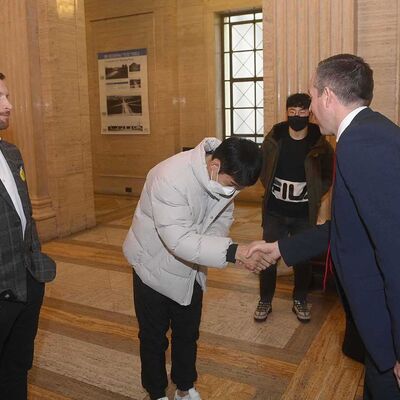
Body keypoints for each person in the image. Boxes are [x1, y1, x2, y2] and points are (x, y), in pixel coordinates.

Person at [249, 54, 400, 399]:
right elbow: (348, 230)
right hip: (378, 334)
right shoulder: (365, 134)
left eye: (313, 95)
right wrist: (279, 249)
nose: (311, 106)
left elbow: (396, 251)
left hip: (389, 339)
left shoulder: (364, 145)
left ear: (328, 95)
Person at [123, 137, 270, 400]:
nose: (233, 191)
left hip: (192, 267)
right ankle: (156, 392)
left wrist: (210, 244)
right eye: (233, 185)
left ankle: (184, 387)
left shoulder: (224, 178)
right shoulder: (169, 177)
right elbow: (178, 240)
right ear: (215, 165)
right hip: (152, 266)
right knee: (154, 337)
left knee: (188, 333)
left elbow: (222, 218)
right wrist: (234, 252)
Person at [0, 73, 56, 400]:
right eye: (1, 97)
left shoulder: (11, 153)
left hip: (27, 283)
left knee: (17, 367)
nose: (9, 105)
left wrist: (36, 270)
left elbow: (26, 217)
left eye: (7, 96)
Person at [254, 93, 333, 323]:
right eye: (292, 111)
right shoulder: (274, 139)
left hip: (303, 213)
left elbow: (329, 172)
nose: (297, 115)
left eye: (302, 111)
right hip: (275, 212)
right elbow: (262, 166)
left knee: (302, 258)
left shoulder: (319, 143)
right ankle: (265, 299)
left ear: (309, 112)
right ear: (286, 112)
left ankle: (300, 299)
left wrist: (318, 190)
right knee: (267, 257)